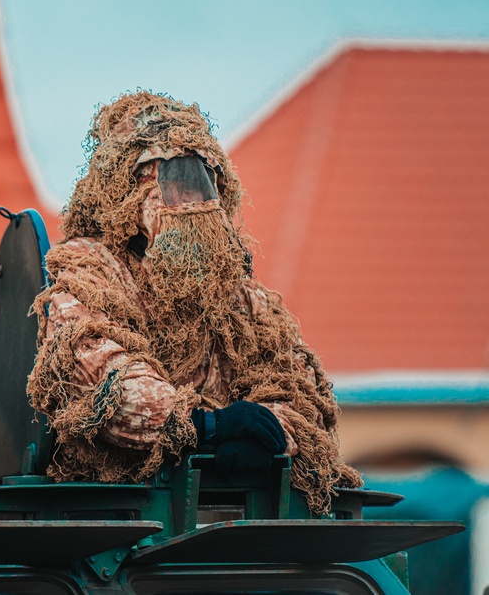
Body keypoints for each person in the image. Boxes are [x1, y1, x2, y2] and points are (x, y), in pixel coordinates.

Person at [27, 90, 361, 514]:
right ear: (128, 195)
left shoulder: (238, 292)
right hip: (124, 515)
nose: (192, 204)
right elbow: (105, 388)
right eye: (175, 187)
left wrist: (270, 433)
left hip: (230, 517)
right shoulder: (90, 271)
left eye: (199, 186)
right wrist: (209, 426)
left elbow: (302, 393)